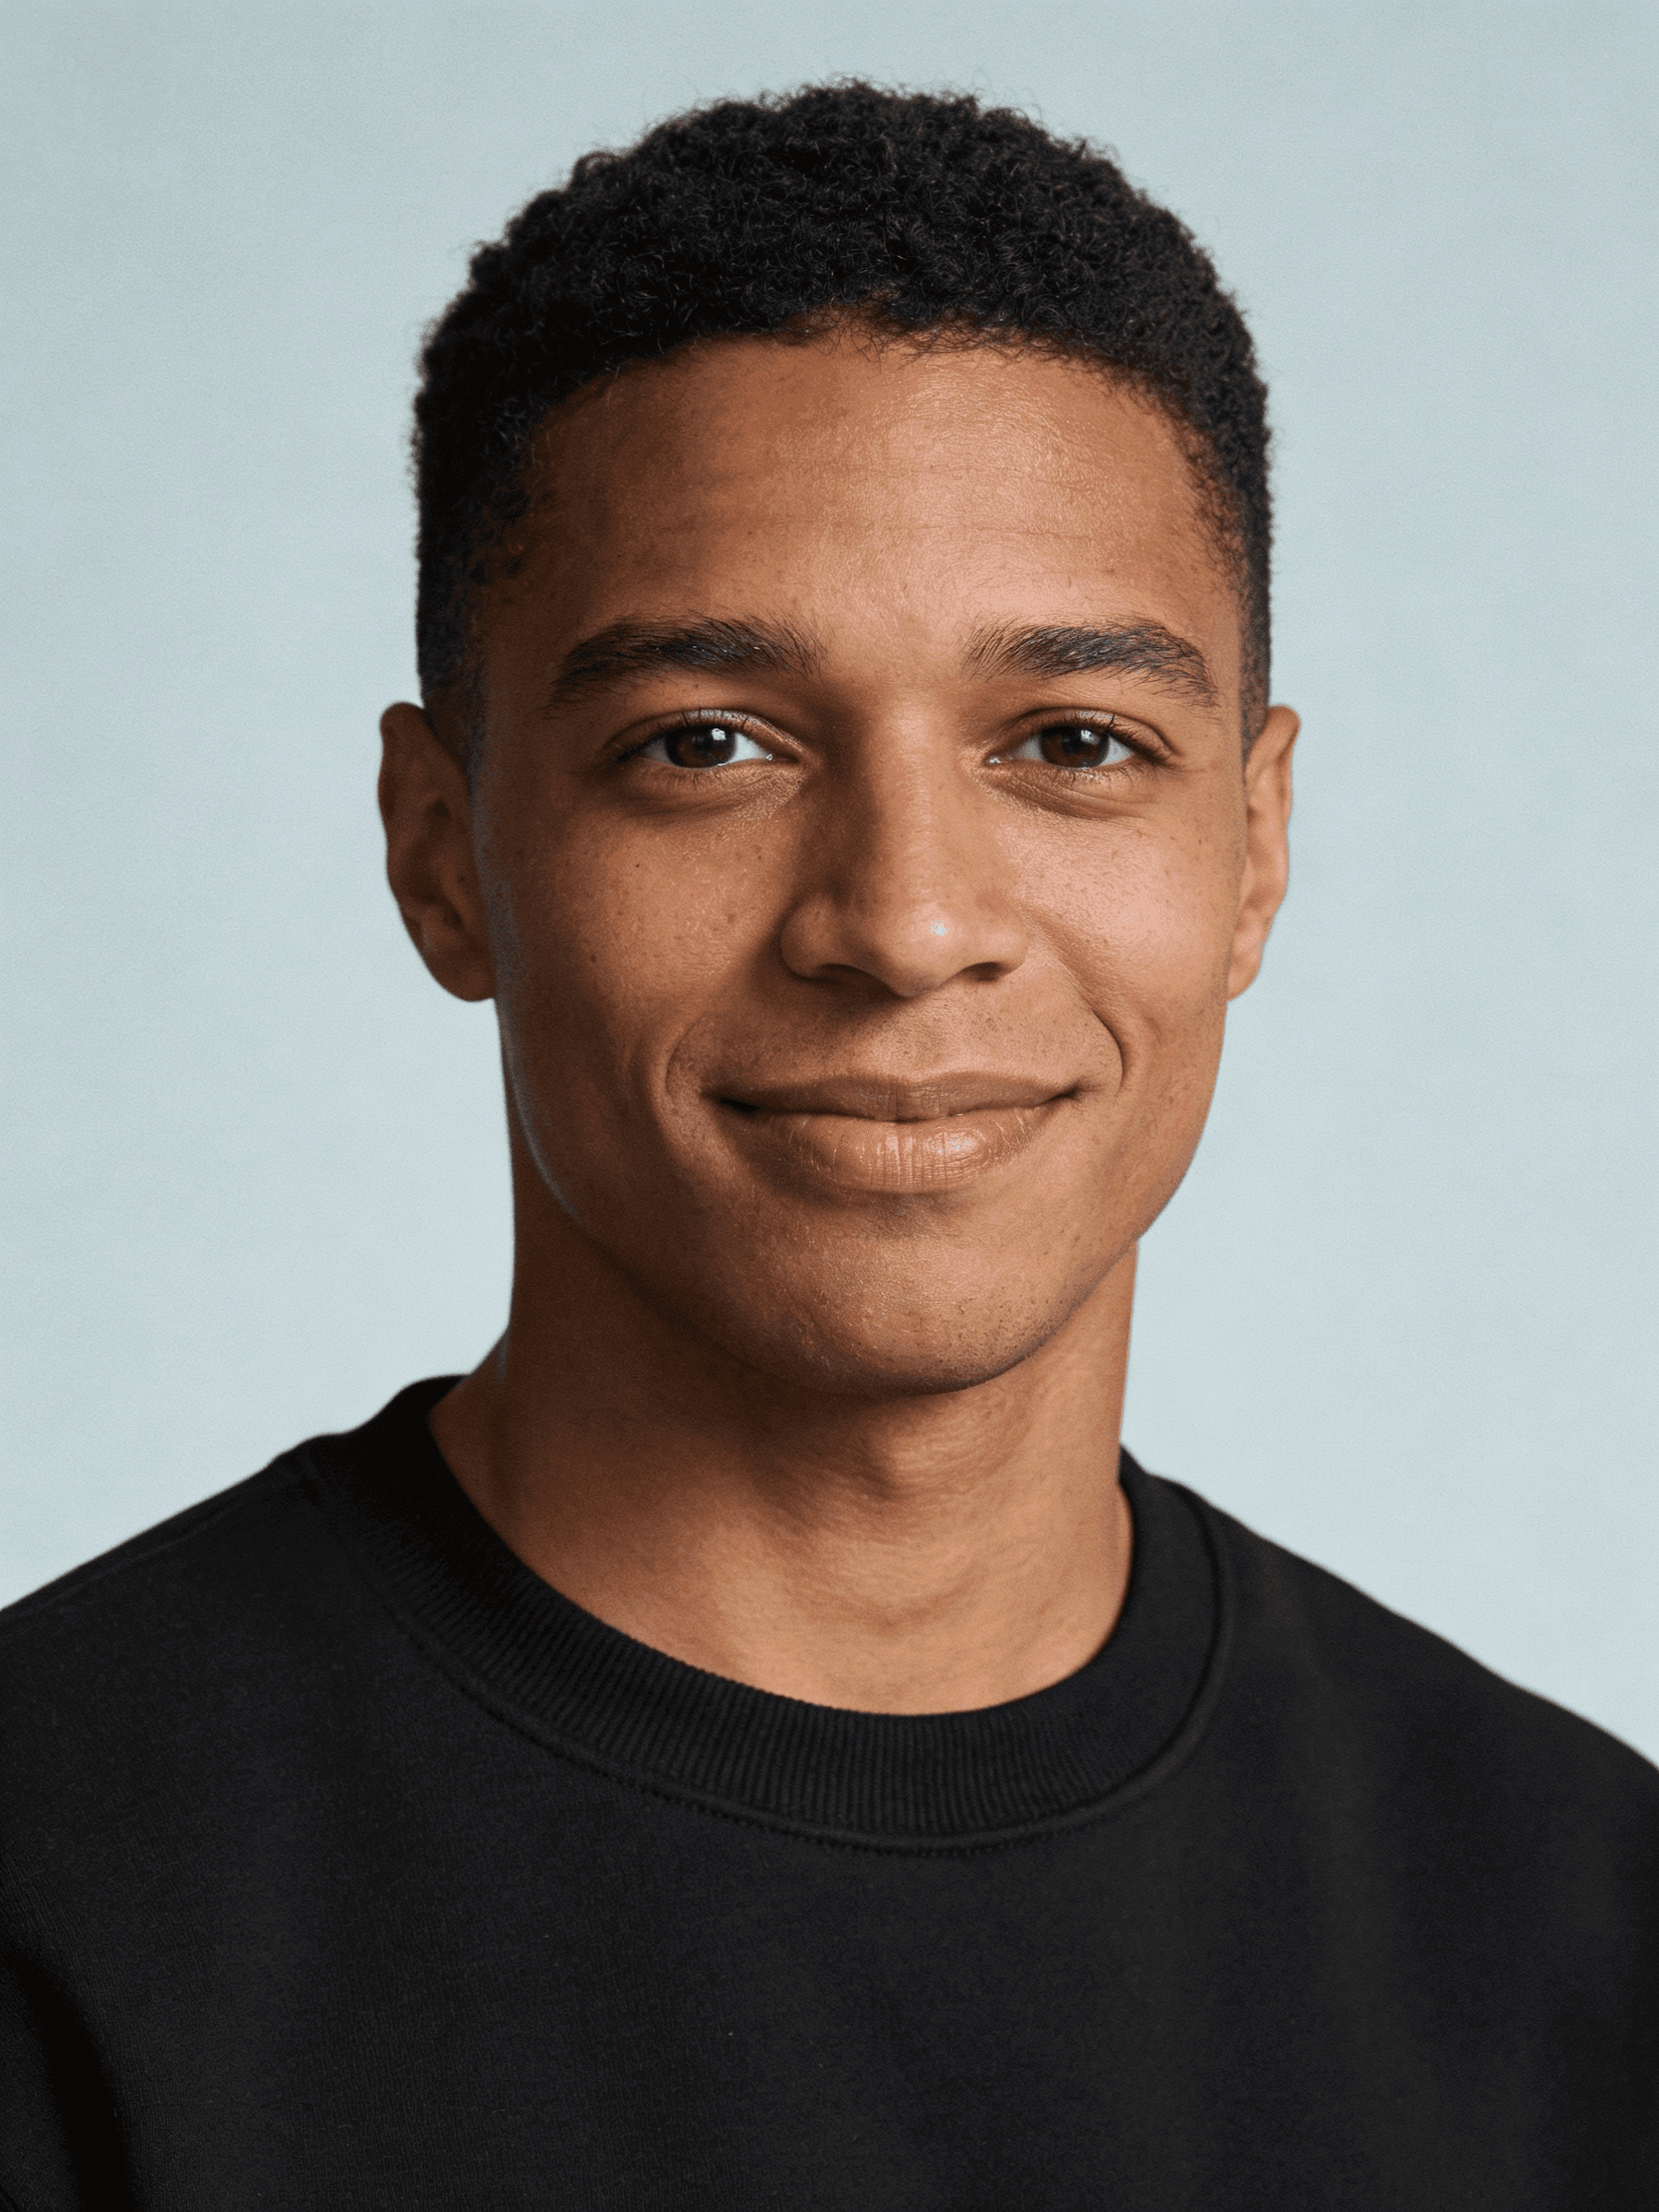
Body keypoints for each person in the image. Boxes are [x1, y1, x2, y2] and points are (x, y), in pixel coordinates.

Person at [2, 82, 1653, 2209]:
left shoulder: (1578, 1940)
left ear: (1251, 853)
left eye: (1073, 743)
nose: (903, 920)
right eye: (707, 744)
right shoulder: (61, 1891)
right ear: (445, 857)